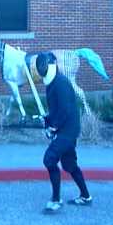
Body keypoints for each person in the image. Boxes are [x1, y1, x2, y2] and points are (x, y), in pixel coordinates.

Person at [36, 52, 93, 213]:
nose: (41, 67)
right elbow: (56, 110)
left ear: (49, 65)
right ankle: (85, 196)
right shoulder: (53, 83)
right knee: (69, 164)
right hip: (65, 129)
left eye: (43, 65)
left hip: (68, 130)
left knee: (49, 159)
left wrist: (53, 127)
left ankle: (56, 200)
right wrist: (46, 120)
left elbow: (65, 110)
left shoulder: (60, 83)